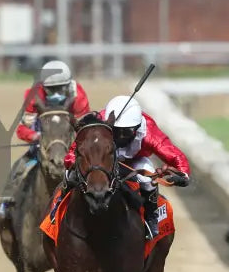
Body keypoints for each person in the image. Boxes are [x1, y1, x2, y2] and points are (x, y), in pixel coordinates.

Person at [61, 95, 190, 238]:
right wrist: (72, 163)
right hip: (105, 158)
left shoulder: (149, 132)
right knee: (70, 174)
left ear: (137, 127)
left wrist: (183, 174)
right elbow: (76, 150)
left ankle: (151, 217)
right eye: (117, 130)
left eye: (127, 131)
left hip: (135, 161)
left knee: (148, 179)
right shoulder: (98, 125)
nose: (121, 135)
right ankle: (59, 207)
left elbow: (173, 154)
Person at [0, 60, 91, 218]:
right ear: (43, 87)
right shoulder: (33, 96)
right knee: (19, 168)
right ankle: (7, 204)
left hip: (70, 145)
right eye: (51, 90)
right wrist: (38, 137)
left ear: (68, 85)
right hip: (44, 145)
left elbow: (85, 128)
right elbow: (22, 129)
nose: (56, 94)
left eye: (60, 88)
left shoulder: (78, 95)